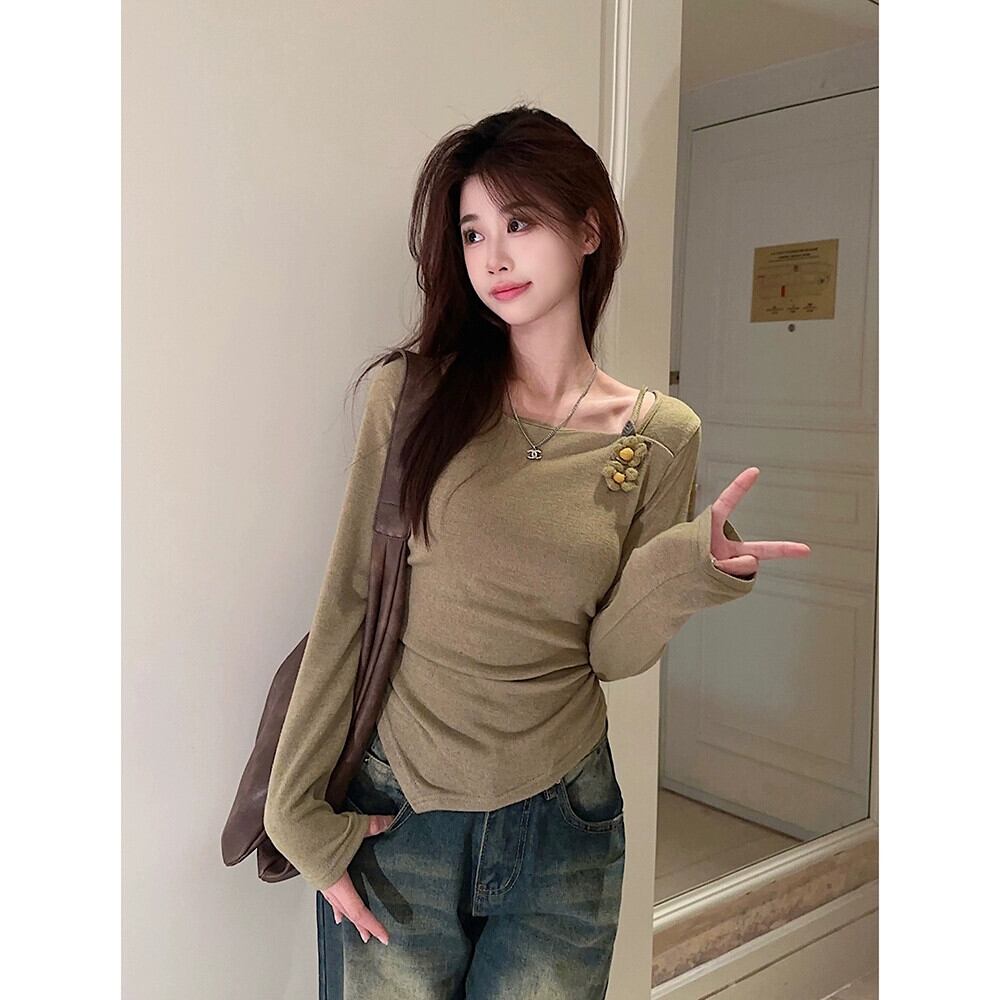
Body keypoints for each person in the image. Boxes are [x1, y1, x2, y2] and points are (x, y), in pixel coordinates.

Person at [262, 105, 810, 1000]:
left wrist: (689, 571)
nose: (493, 258)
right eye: (473, 232)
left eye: (519, 222)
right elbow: (352, 603)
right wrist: (295, 814)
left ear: (588, 229)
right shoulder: (413, 398)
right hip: (400, 815)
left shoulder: (661, 435)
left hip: (565, 821)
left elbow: (612, 654)